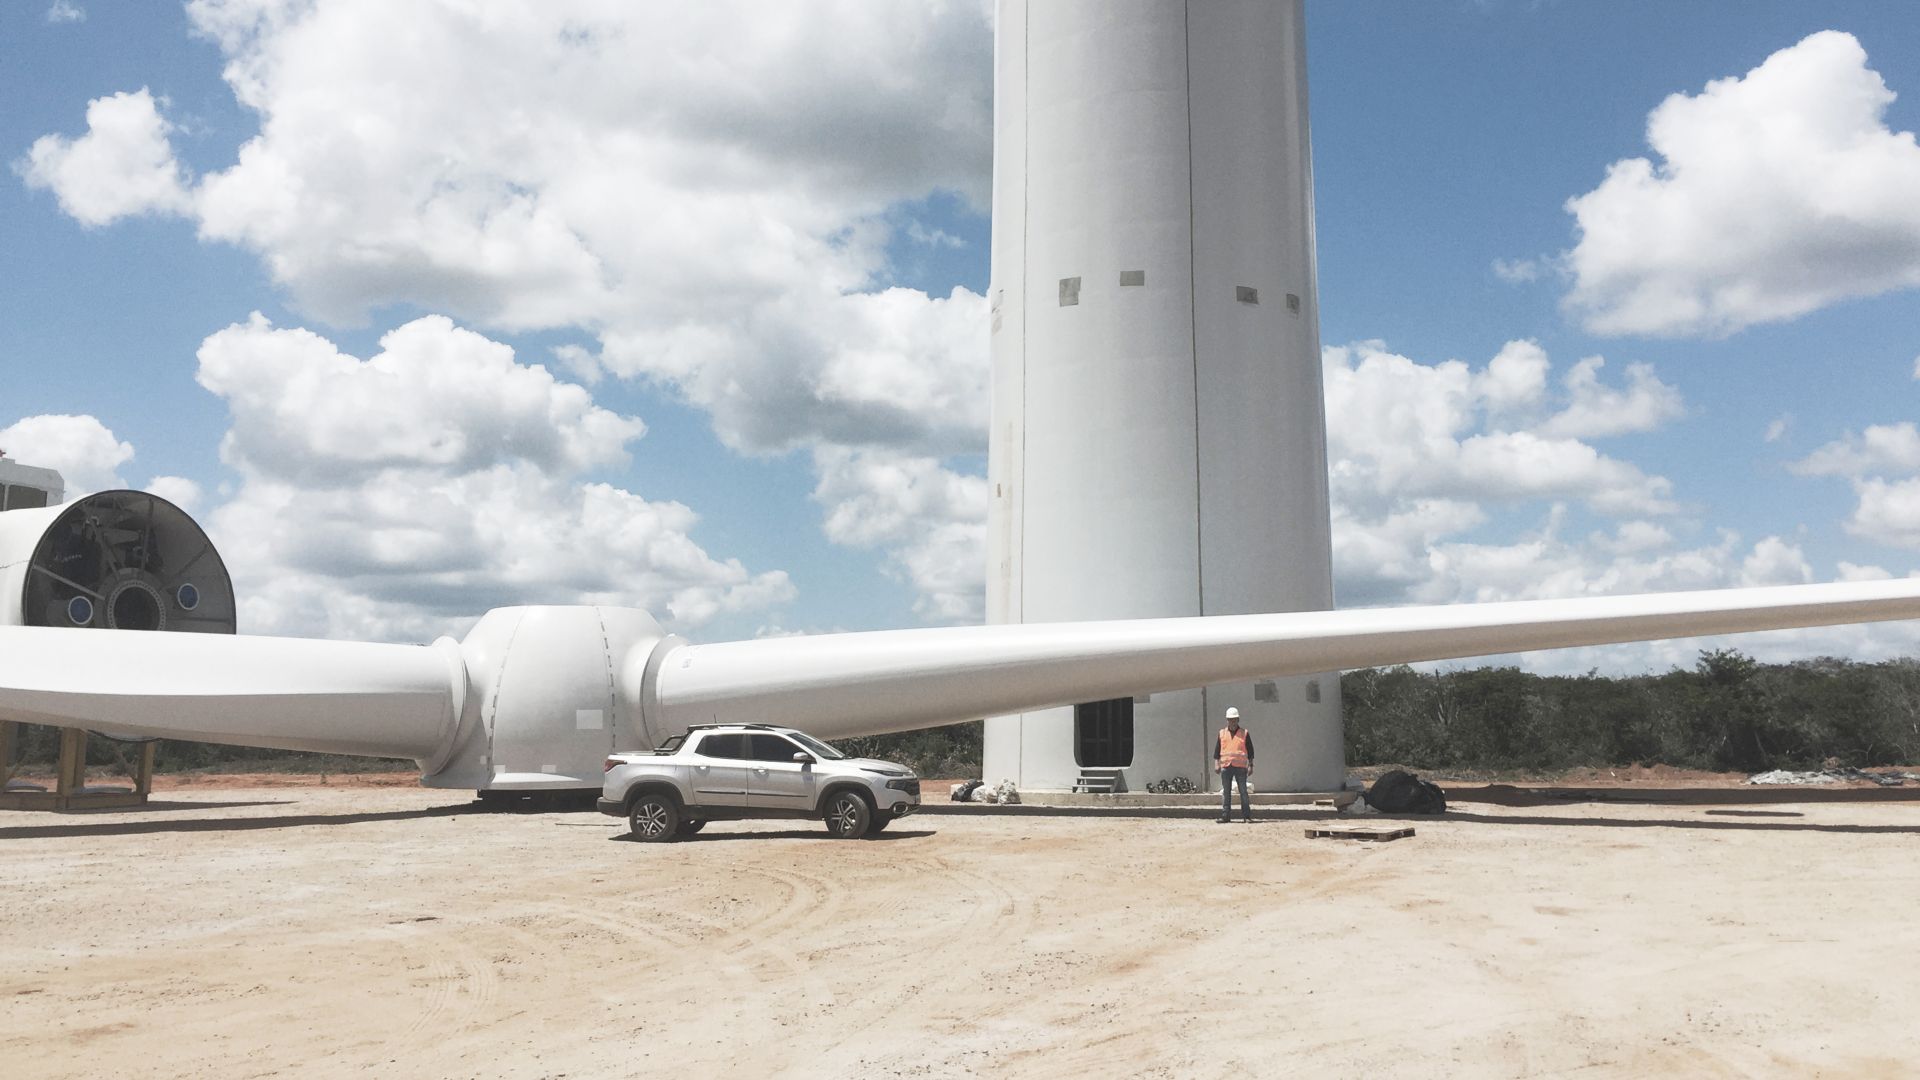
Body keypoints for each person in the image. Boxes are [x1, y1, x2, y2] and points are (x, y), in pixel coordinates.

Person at [1213, 707, 1254, 823]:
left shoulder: (1244, 733)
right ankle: (1225, 816)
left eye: (1235, 719)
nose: (1233, 722)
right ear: (1227, 720)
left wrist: (1251, 765)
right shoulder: (1222, 733)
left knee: (1243, 792)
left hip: (1240, 767)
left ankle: (1246, 816)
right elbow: (1217, 751)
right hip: (1226, 767)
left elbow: (1250, 751)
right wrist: (1217, 764)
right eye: (1230, 719)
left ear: (1238, 719)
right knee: (1226, 792)